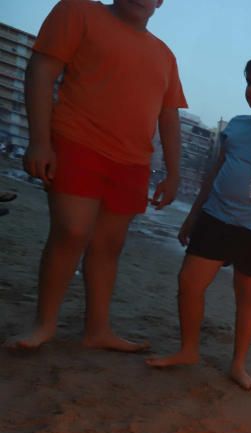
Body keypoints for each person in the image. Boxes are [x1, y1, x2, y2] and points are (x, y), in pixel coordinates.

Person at [6, 0, 185, 352]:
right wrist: (39, 141)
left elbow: (169, 118)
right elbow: (41, 70)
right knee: (71, 232)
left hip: (133, 161)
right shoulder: (78, 11)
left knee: (109, 246)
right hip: (76, 140)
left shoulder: (165, 55)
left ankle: (97, 329)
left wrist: (174, 173)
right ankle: (44, 324)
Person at [146, 57, 251, 390]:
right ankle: (188, 349)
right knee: (189, 282)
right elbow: (214, 172)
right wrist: (192, 216)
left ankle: (238, 364)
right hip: (217, 216)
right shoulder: (236, 124)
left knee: (246, 297)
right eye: (248, 82)